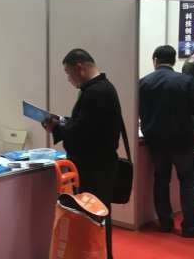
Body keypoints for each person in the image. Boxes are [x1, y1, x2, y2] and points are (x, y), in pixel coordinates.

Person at [42, 49, 123, 258]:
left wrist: (57, 127)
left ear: (80, 67)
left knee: (91, 217)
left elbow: (83, 133)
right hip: (101, 164)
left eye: (68, 73)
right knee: (98, 217)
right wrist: (64, 123)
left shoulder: (95, 92)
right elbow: (87, 125)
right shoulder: (103, 88)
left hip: (94, 167)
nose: (69, 79)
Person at [139, 46, 194, 238]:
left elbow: (139, 110)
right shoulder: (185, 81)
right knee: (187, 182)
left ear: (155, 60)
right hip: (182, 139)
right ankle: (190, 226)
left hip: (155, 140)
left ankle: (165, 222)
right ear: (173, 61)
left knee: (161, 180)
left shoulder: (143, 82)